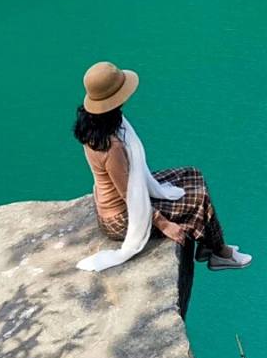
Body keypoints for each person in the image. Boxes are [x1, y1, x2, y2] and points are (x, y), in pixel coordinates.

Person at [72, 61, 250, 284]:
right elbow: (130, 195)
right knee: (197, 200)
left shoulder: (95, 124)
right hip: (120, 216)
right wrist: (163, 223)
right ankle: (220, 253)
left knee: (192, 174)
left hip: (120, 200)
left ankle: (209, 247)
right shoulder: (111, 146)